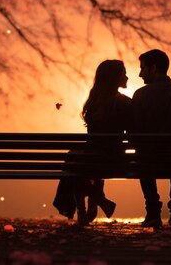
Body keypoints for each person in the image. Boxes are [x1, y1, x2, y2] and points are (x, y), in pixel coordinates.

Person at [53, 59, 132, 226]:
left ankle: (85, 208)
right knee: (81, 159)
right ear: (114, 77)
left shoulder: (93, 101)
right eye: (123, 73)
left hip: (95, 159)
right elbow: (132, 135)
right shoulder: (125, 103)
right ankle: (97, 201)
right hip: (115, 160)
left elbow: (93, 138)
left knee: (75, 160)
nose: (127, 77)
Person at [132, 49, 171, 228]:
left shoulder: (140, 95)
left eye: (142, 68)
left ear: (153, 68)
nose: (139, 74)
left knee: (142, 156)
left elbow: (135, 136)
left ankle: (153, 211)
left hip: (150, 162)